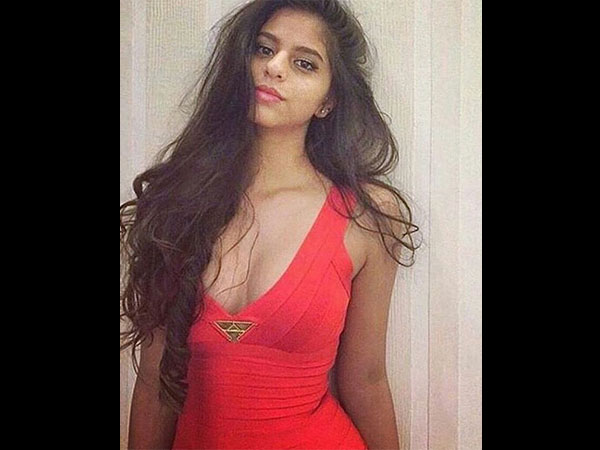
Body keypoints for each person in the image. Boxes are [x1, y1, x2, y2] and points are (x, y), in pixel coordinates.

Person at [120, 0, 419, 448]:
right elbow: (153, 384)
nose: (274, 67)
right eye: (263, 49)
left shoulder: (366, 216)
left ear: (328, 101)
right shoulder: (176, 204)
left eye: (304, 63)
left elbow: (366, 378)